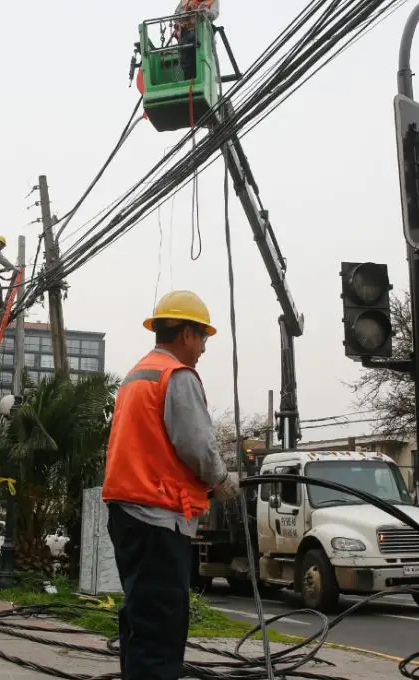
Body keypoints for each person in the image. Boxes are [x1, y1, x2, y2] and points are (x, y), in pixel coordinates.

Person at [102, 290, 239, 680]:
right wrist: (221, 480)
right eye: (203, 338)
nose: (204, 349)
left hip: (128, 513)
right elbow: (197, 445)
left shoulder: (137, 376)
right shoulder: (176, 376)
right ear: (187, 334)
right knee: (161, 626)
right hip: (158, 516)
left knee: (142, 618)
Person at [173, 0, 219, 80]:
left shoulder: (212, 1)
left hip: (203, 32)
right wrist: (187, 13)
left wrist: (204, 11)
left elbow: (214, 14)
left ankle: (194, 78)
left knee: (197, 54)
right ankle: (190, 79)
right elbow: (176, 17)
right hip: (186, 33)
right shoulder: (185, 1)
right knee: (186, 58)